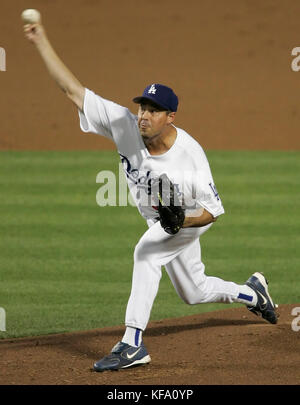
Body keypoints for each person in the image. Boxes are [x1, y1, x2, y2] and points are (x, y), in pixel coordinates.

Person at [24, 21, 278, 372]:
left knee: (145, 253)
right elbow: (72, 90)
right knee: (193, 290)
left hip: (188, 218)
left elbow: (212, 211)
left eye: (153, 110)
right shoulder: (124, 124)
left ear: (170, 117)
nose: (144, 115)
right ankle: (253, 293)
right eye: (142, 107)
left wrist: (180, 223)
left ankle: (132, 343)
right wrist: (41, 41)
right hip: (162, 217)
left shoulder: (190, 158)